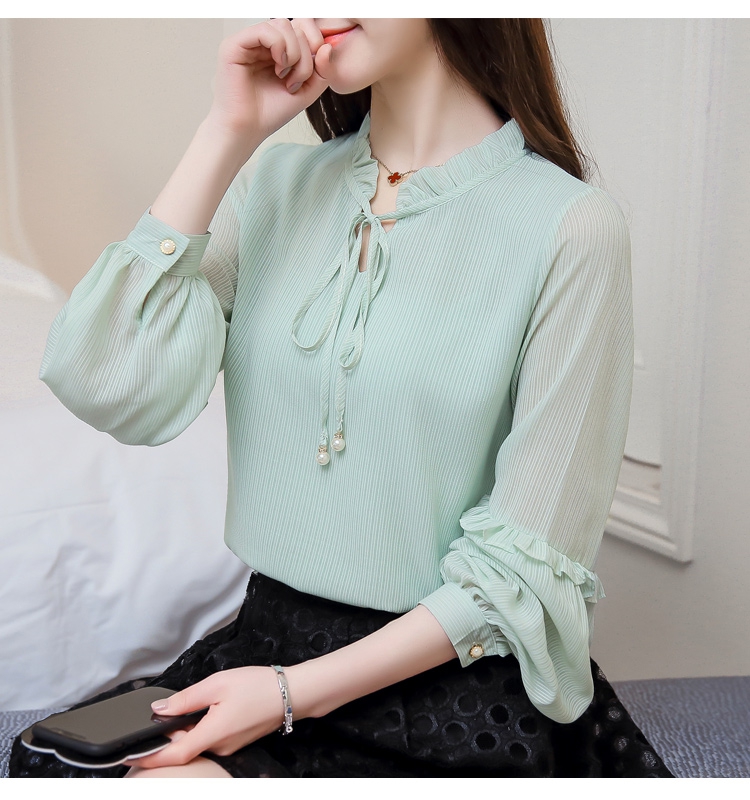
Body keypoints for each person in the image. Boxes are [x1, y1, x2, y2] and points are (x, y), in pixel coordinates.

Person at [11, 19, 673, 778]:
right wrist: (226, 132)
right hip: (259, 651)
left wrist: (289, 695)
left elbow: (521, 571)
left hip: (444, 690)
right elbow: (112, 384)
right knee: (50, 768)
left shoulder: (571, 228)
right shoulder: (273, 183)